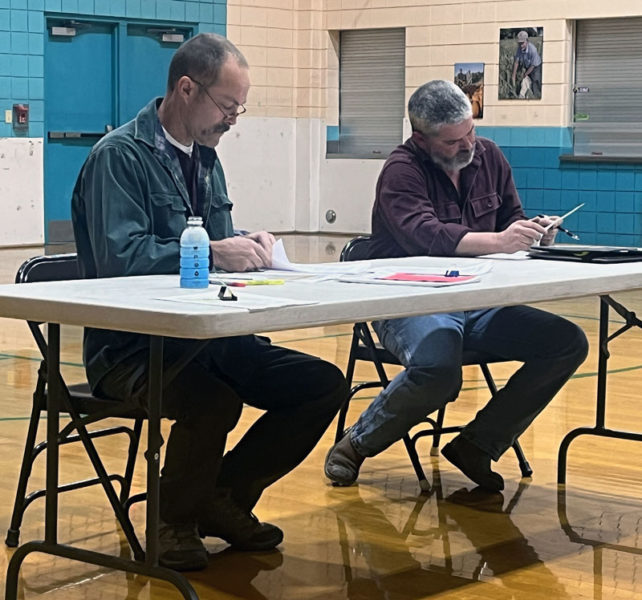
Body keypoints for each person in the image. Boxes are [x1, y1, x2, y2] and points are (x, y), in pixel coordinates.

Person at [71, 33, 347, 571]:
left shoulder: (205, 158)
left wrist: (249, 242)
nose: (233, 119)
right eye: (228, 106)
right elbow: (121, 258)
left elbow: (209, 239)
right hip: (131, 350)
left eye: (239, 108)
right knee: (211, 401)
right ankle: (170, 524)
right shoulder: (119, 158)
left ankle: (219, 499)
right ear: (186, 89)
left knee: (320, 386)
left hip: (207, 337)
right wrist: (217, 252)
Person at [324, 80, 588, 493]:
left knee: (566, 341)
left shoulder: (489, 156)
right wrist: (500, 241)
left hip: (480, 298)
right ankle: (357, 442)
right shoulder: (401, 171)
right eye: (453, 141)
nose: (468, 145)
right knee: (437, 369)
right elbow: (425, 236)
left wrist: (532, 232)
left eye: (471, 131)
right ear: (422, 138)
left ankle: (477, 444)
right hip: (410, 299)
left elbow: (509, 219)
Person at [511, 30, 542, 99]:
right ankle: (523, 96)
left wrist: (525, 74)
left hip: (536, 66)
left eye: (522, 43)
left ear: (527, 41)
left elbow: (533, 65)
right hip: (528, 66)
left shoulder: (532, 49)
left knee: (535, 81)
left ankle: (536, 96)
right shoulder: (519, 49)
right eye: (519, 43)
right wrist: (513, 75)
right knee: (526, 81)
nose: (521, 45)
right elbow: (516, 62)